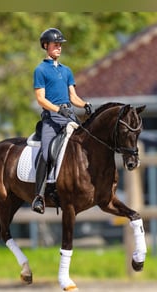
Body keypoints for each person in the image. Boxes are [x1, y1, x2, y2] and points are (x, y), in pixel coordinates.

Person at [32, 27, 92, 214]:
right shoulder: (40, 70)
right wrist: (58, 109)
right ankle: (39, 196)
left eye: (60, 45)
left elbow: (73, 96)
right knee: (47, 152)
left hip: (69, 117)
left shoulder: (66, 71)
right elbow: (40, 99)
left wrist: (84, 104)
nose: (59, 47)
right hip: (52, 118)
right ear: (45, 46)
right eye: (55, 44)